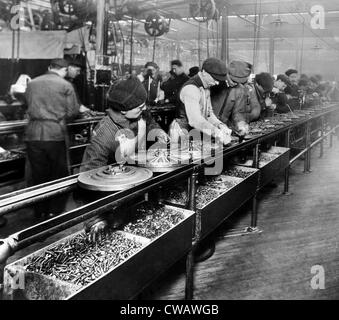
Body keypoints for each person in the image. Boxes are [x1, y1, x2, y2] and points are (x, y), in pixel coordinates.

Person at [80, 76, 169, 239]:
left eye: (144, 105)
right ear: (122, 110)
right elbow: (88, 180)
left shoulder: (138, 111)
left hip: (140, 186)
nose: (144, 109)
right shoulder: (104, 134)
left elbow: (150, 122)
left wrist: (159, 133)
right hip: (114, 199)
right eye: (140, 107)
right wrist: (95, 220)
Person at [25, 58, 83, 218]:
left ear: (49, 67)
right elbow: (73, 111)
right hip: (54, 133)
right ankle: (54, 210)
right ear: (64, 70)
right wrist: (59, 117)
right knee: (58, 174)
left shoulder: (32, 83)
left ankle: (39, 210)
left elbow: (26, 105)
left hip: (32, 134)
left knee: (38, 174)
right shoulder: (65, 85)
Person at [170, 57, 232, 145]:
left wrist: (220, 125)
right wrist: (218, 133)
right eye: (215, 78)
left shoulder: (206, 87)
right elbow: (195, 120)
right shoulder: (191, 89)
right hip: (182, 132)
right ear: (204, 72)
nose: (217, 83)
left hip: (195, 132)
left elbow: (208, 114)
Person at [211, 59, 252, 136]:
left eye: (238, 82)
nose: (234, 83)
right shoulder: (213, 84)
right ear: (227, 74)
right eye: (233, 80)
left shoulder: (240, 89)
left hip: (222, 129)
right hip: (204, 126)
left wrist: (240, 124)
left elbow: (238, 112)